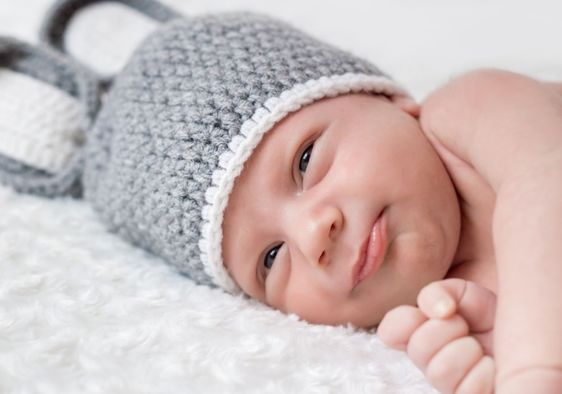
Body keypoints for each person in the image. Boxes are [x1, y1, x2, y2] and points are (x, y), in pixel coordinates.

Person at [1, 1, 560, 393]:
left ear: (388, 99)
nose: (312, 234)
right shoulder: (439, 314)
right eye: (270, 259)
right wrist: (489, 351)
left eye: (306, 161)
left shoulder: (471, 109)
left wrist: (533, 369)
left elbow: (544, 188)